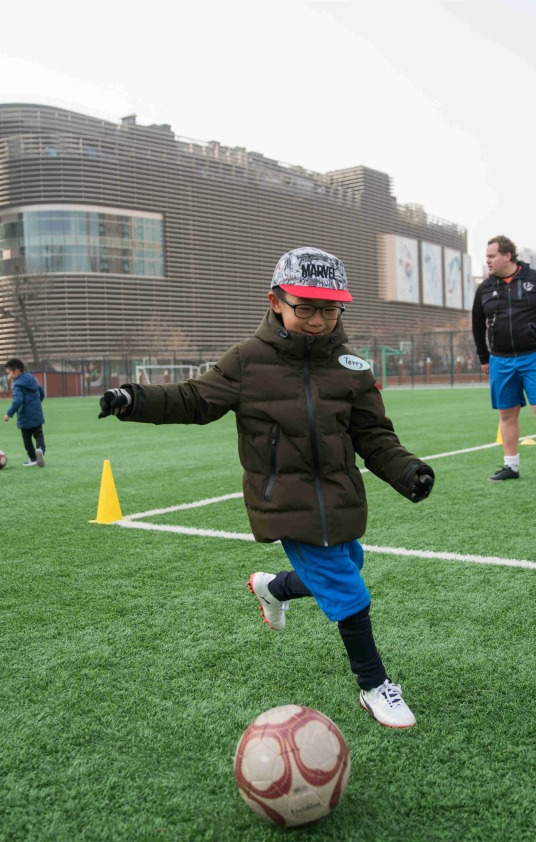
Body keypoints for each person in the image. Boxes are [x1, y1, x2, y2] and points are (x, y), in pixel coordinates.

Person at [96, 246, 435, 729]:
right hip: (284, 500)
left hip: (340, 497)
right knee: (347, 587)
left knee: (346, 565)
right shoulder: (246, 361)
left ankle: (272, 588)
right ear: (275, 301)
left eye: (329, 309)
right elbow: (194, 399)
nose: (319, 320)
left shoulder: (351, 366)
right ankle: (374, 686)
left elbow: (373, 435)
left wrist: (406, 471)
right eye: (306, 308)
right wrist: (134, 398)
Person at [472, 235, 536, 483]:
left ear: (507, 256)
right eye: (487, 257)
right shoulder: (485, 288)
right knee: (507, 413)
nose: (488, 261)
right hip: (500, 359)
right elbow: (476, 323)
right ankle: (510, 466)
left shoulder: (535, 280)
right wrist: (484, 356)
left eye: (491, 256)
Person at [3, 358, 46, 467]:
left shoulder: (17, 384)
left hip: (25, 416)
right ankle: (40, 449)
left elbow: (18, 400)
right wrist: (37, 404)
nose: (8, 376)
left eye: (9, 373)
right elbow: (41, 392)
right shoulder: (32, 378)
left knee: (27, 440)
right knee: (38, 435)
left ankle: (33, 458)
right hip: (37, 413)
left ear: (16, 371)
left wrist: (9, 413)